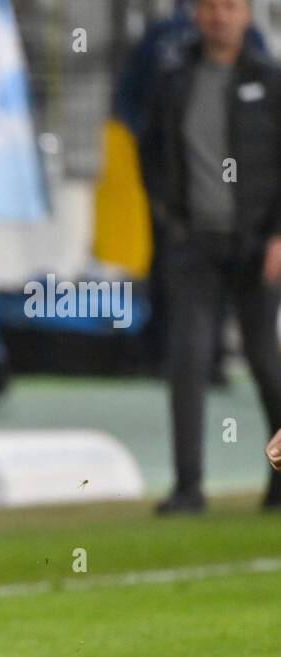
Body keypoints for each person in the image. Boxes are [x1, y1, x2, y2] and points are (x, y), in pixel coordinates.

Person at [140, 0, 281, 513]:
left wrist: (278, 236)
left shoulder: (270, 81)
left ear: (247, 15)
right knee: (189, 362)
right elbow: (150, 151)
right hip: (192, 245)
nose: (219, 16)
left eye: (230, 6)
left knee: (267, 363)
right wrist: (169, 216)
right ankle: (188, 486)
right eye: (210, 7)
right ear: (196, 15)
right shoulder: (175, 78)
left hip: (257, 247)